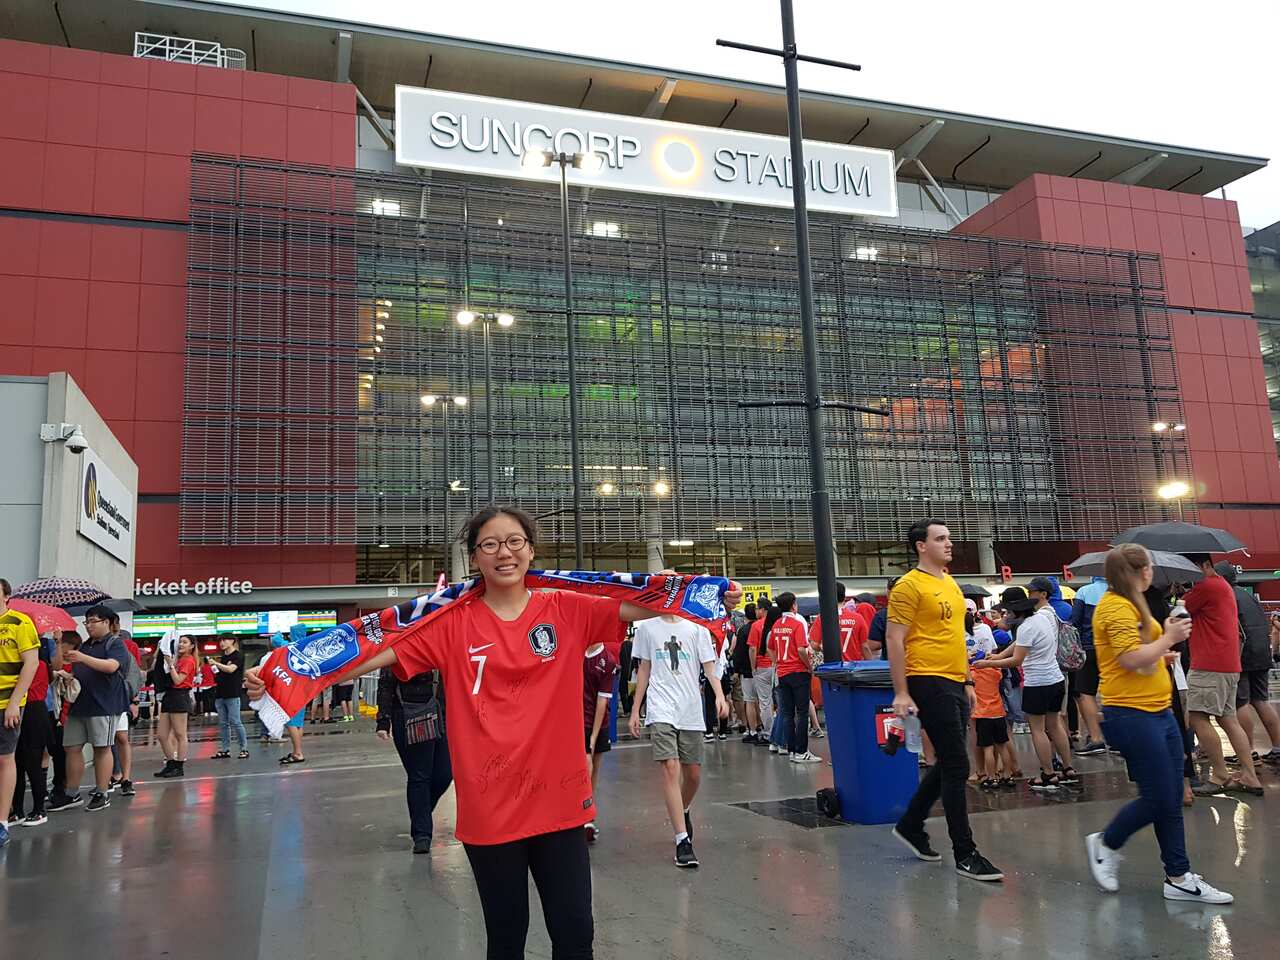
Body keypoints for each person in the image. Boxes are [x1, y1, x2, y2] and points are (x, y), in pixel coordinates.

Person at [246, 505, 736, 959]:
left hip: (560, 802)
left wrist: (704, 590)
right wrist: (284, 672)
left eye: (515, 541)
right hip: (490, 807)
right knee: (506, 936)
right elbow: (367, 655)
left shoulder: (568, 608)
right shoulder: (449, 623)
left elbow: (647, 606)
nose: (505, 552)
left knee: (575, 934)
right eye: (490, 544)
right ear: (474, 555)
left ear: (532, 550)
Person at [1084, 544, 1232, 903]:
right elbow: (1131, 658)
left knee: (1171, 797)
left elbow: (1141, 657)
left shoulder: (1134, 606)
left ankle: (1179, 875)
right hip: (1133, 714)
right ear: (1140, 571)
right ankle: (1108, 841)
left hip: (1158, 710)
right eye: (1148, 566)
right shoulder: (1115, 607)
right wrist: (1168, 638)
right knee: (1161, 797)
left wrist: (1162, 647)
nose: (1152, 572)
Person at [887, 519, 1003, 882]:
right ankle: (965, 852)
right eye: (940, 539)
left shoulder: (949, 582)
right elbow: (894, 638)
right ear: (921, 546)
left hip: (954, 679)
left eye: (949, 537)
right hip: (926, 678)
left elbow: (954, 636)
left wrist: (967, 679)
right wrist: (902, 691)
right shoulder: (909, 586)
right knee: (956, 764)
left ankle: (910, 823)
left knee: (950, 761)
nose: (949, 543)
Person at [630, 583, 729, 867]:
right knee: (670, 767)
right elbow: (644, 669)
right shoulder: (646, 627)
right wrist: (637, 709)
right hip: (661, 706)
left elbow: (709, 667)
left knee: (693, 774)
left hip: (690, 708)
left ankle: (682, 808)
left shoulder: (695, 627)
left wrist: (720, 696)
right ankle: (682, 840)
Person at [976, 583, 1078, 791]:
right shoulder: (1042, 617)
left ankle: (1048, 774)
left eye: (1007, 611)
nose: (1005, 614)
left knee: (1037, 729)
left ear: (1015, 610)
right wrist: (999, 655)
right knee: (1055, 724)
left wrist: (989, 663)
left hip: (1037, 683)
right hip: (1056, 679)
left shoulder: (1026, 627)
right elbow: (1018, 645)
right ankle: (1068, 769)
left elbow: (1017, 659)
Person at [1181, 555, 1263, 796]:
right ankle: (1250, 776)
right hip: (1228, 663)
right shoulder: (1222, 585)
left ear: (1204, 566)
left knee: (1196, 716)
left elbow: (1178, 610)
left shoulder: (1205, 587)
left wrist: (1177, 591)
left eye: (1191, 569)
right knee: (1228, 718)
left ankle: (1219, 774)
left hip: (1208, 664)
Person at [54, 604, 129, 813]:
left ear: (106, 622)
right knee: (72, 747)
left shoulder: (115, 644)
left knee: (102, 748)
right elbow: (61, 666)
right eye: (87, 622)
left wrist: (83, 658)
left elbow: (112, 666)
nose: (88, 626)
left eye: (93, 621)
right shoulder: (85, 645)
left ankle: (102, 792)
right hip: (80, 705)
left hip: (104, 705)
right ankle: (72, 793)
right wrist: (59, 644)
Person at [376, 663, 451, 854]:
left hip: (441, 711)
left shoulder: (441, 639)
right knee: (420, 776)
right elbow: (386, 682)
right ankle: (422, 834)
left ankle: (421, 813)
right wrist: (383, 720)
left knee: (445, 773)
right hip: (408, 714)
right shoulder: (399, 641)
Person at [1216, 562, 1280, 764]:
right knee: (1261, 700)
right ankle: (1277, 747)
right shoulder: (1248, 596)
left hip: (1242, 654)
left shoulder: (1226, 596)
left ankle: (1248, 749)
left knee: (1240, 702)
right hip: (1261, 653)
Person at [0, 579, 41, 845]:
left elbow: (32, 663)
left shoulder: (20, 622)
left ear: (6, 596)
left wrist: (15, 702)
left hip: (6, 704)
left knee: (4, 759)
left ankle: (2, 821)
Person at [770, 592, 821, 763]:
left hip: (782, 673)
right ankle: (802, 751)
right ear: (793, 605)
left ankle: (791, 749)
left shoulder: (776, 625)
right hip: (798, 672)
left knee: (787, 713)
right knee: (802, 712)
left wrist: (777, 661)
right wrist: (809, 666)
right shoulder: (797, 624)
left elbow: (770, 647)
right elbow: (801, 649)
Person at [582, 634, 619, 842]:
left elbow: (602, 702)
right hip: (575, 720)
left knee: (594, 766)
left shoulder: (608, 661)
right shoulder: (577, 651)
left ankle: (588, 814)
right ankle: (581, 813)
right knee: (585, 765)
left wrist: (594, 737)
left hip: (598, 722)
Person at [1069, 576, 1109, 754]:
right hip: (1112, 649)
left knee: (1086, 693)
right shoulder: (1117, 591)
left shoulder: (1084, 591)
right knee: (1112, 692)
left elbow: (1075, 621)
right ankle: (1115, 738)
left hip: (1089, 648)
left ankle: (1096, 738)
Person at [153, 635, 196, 779]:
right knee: (162, 735)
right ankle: (171, 763)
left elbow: (178, 680)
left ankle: (179, 766)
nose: (181, 645)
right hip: (170, 695)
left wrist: (170, 664)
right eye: (180, 642)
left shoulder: (188, 660)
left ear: (192, 646)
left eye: (185, 642)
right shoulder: (178, 659)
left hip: (180, 696)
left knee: (180, 733)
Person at [208, 636, 249, 759]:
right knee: (223, 723)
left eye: (224, 640)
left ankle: (244, 748)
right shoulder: (223, 657)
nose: (222, 643)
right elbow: (220, 674)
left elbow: (231, 669)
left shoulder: (238, 656)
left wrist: (216, 663)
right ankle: (225, 749)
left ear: (232, 641)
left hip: (233, 693)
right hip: (220, 693)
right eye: (220, 641)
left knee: (235, 721)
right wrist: (215, 668)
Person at [811, 581, 869, 662]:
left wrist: (823, 649)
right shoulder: (858, 618)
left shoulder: (822, 618)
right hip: (854, 667)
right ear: (844, 597)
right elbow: (865, 646)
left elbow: (814, 645)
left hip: (833, 667)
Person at [747, 596, 775, 748]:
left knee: (765, 702)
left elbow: (752, 648)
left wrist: (753, 667)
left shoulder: (756, 626)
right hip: (776, 666)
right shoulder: (776, 623)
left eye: (757, 608)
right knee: (779, 702)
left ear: (763, 610)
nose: (756, 611)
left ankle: (768, 733)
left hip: (762, 667)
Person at [732, 603, 761, 742]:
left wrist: (736, 670)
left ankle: (753, 730)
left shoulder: (743, 630)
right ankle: (764, 727)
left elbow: (738, 652)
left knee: (749, 700)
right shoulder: (762, 626)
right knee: (763, 700)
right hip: (763, 668)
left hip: (747, 670)